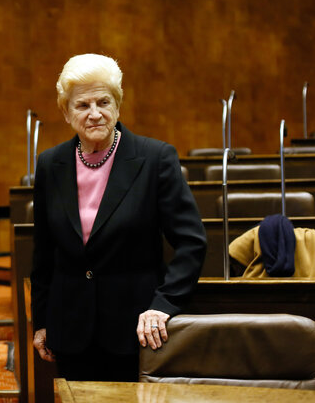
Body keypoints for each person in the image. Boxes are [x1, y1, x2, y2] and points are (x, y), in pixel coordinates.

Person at [30, 53, 207, 382]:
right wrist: (40, 320)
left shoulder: (155, 159)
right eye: (82, 105)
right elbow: (43, 253)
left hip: (137, 330)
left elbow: (191, 242)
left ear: (118, 105)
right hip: (70, 330)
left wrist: (163, 305)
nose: (95, 114)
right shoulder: (50, 164)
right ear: (66, 112)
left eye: (104, 102)